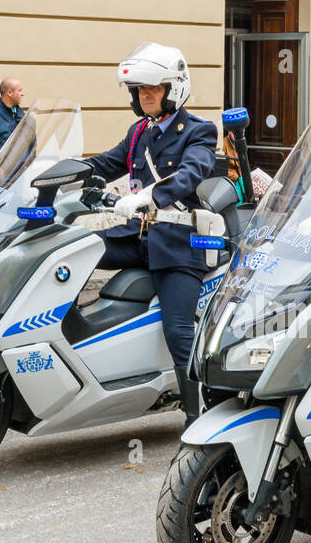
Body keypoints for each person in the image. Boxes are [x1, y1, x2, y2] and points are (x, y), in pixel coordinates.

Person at [83, 42, 216, 426]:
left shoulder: (199, 131)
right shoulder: (138, 131)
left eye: (152, 89)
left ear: (172, 89)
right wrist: (61, 172)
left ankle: (198, 415)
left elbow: (191, 172)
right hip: (138, 238)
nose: (145, 97)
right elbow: (106, 162)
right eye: (140, 91)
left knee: (177, 329)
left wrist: (148, 195)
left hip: (178, 246)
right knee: (74, 252)